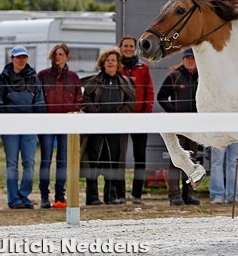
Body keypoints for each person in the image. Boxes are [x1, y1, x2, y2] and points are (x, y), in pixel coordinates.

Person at [0, 45, 46, 209]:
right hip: (10, 128)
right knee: (12, 164)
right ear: (12, 59)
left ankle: (24, 195)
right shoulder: (1, 79)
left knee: (29, 163)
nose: (21, 60)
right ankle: (14, 199)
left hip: (29, 127)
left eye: (24, 57)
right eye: (18, 57)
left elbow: (39, 103)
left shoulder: (34, 79)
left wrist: (38, 123)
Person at [81, 48, 135, 205]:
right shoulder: (93, 81)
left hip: (116, 128)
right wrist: (97, 113)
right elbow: (85, 101)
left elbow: (131, 102)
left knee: (113, 161)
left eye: (113, 60)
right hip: (96, 128)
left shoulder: (126, 82)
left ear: (118, 64)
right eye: (108, 60)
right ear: (102, 63)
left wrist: (119, 115)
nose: (110, 62)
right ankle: (92, 197)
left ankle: (110, 196)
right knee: (94, 161)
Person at [36, 44, 83, 209]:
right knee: (46, 160)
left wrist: (73, 111)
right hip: (48, 122)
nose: (58, 57)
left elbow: (79, 98)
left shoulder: (73, 77)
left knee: (63, 161)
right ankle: (43, 195)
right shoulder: (42, 76)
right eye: (55, 54)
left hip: (66, 123)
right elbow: (38, 96)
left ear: (67, 57)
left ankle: (60, 195)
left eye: (61, 54)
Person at [157, 48, 201, 206]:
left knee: (193, 159)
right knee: (176, 159)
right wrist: (173, 111)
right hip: (177, 125)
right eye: (187, 58)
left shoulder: (202, 77)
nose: (190, 61)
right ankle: (174, 195)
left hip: (195, 125)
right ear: (183, 60)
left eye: (193, 58)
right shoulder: (174, 76)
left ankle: (189, 193)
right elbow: (161, 96)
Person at [118, 36, 155, 204]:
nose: (128, 49)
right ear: (120, 47)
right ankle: (119, 194)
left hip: (140, 118)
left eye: (131, 46)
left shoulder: (143, 68)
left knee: (140, 156)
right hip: (121, 118)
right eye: (125, 46)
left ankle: (137, 194)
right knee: (119, 156)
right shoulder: (116, 67)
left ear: (135, 48)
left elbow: (149, 92)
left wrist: (145, 114)